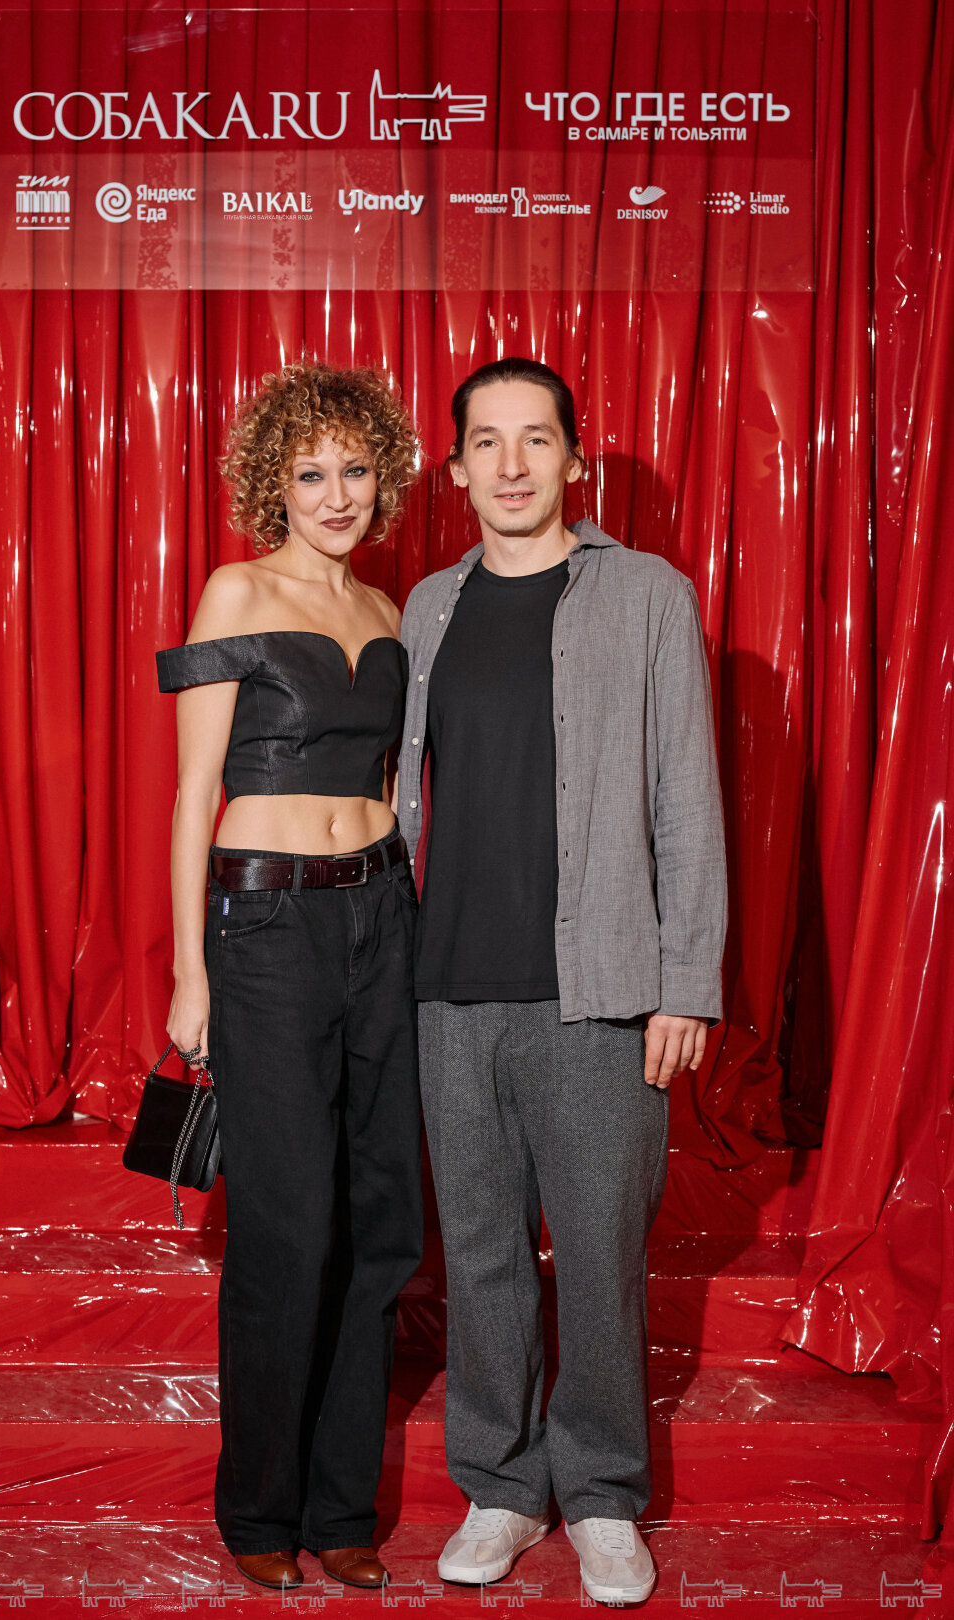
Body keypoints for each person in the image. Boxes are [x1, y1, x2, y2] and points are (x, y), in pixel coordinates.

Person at [396, 357, 727, 1606]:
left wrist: (685, 982)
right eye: (488, 441)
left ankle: (599, 1494)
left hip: (602, 990)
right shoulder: (427, 608)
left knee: (597, 1255)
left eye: (537, 438)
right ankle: (500, 1483)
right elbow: (399, 797)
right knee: (480, 1253)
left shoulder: (647, 595)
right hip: (448, 986)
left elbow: (688, 800)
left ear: (576, 459)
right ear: (457, 467)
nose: (514, 464)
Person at [155, 361, 424, 1592]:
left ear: (384, 479)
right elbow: (191, 794)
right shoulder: (237, 590)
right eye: (310, 473)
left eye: (355, 470)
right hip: (266, 928)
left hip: (384, 914)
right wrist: (191, 974)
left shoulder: (390, 612)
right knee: (286, 1222)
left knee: (380, 1218)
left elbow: (398, 787)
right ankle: (261, 1511)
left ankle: (340, 1503)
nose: (336, 494)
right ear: (275, 482)